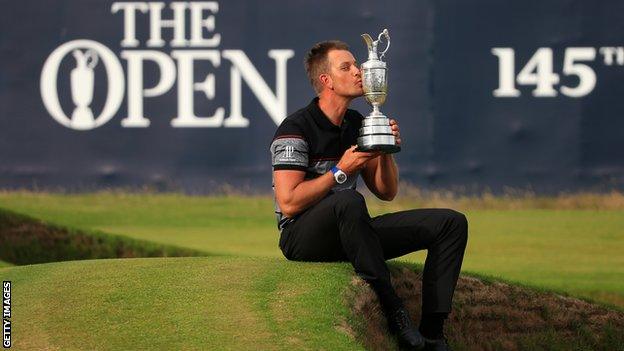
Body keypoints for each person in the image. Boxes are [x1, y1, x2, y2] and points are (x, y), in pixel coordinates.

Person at [269, 40, 468, 351]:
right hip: (302, 238)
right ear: (327, 81)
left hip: (352, 230)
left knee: (451, 223)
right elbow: (289, 202)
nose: (358, 71)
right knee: (348, 200)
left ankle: (432, 333)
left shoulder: (357, 123)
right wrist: (340, 171)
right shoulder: (295, 128)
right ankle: (394, 310)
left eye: (356, 65)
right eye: (346, 67)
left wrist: (385, 149)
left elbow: (387, 192)